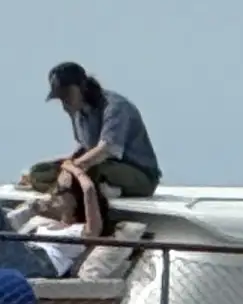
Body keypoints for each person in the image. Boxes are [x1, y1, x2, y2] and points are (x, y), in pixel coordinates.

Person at [35, 61, 161, 242]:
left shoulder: (115, 106)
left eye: (67, 95)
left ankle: (92, 201)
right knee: (39, 172)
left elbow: (105, 150)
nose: (64, 103)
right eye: (60, 98)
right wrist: (65, 164)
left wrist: (72, 169)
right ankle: (92, 191)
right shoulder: (77, 112)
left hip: (138, 175)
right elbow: (84, 148)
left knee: (91, 170)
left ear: (82, 86)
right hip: (96, 166)